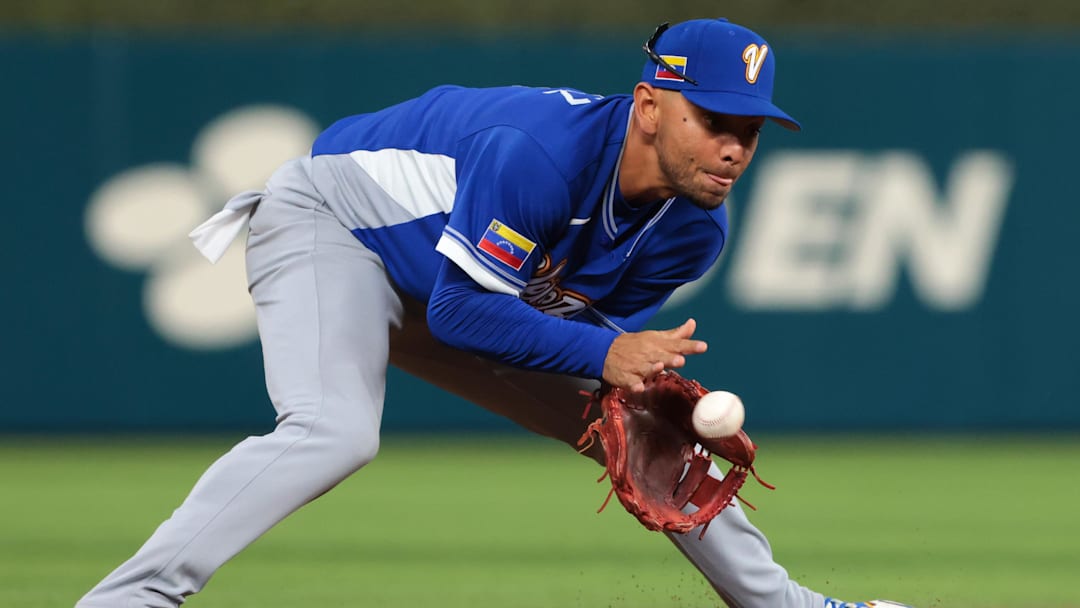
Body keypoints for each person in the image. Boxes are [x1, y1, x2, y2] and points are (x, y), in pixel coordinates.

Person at [76, 18, 911, 608]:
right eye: (713, 120)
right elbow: (468, 314)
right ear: (650, 106)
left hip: (456, 289)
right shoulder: (540, 154)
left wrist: (623, 378)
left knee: (648, 425)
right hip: (336, 228)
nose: (734, 147)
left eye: (751, 129)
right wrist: (609, 355)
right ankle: (130, 601)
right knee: (334, 431)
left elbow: (539, 317)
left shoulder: (693, 231)